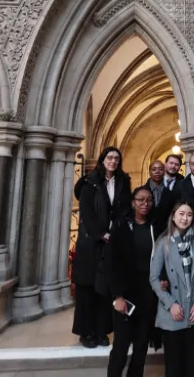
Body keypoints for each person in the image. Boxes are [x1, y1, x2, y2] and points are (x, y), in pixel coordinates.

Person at [71, 147, 131, 348]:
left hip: (111, 242)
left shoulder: (123, 181)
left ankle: (101, 330)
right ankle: (86, 332)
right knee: (87, 287)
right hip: (91, 242)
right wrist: (100, 233)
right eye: (110, 157)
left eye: (116, 158)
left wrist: (116, 232)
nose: (113, 161)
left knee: (104, 287)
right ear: (103, 159)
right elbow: (87, 213)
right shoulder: (89, 182)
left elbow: (124, 209)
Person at [104, 187, 165, 377]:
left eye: (149, 200)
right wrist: (118, 296)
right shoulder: (121, 226)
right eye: (140, 200)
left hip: (148, 294)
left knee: (141, 346)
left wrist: (162, 280)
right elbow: (112, 263)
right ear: (133, 202)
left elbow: (163, 257)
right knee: (120, 347)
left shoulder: (156, 226)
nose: (145, 204)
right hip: (126, 294)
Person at [150, 202, 194, 377]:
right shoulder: (163, 243)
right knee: (173, 365)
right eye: (181, 214)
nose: (185, 218)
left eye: (189, 215)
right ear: (173, 217)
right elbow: (153, 278)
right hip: (173, 311)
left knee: (191, 363)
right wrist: (171, 304)